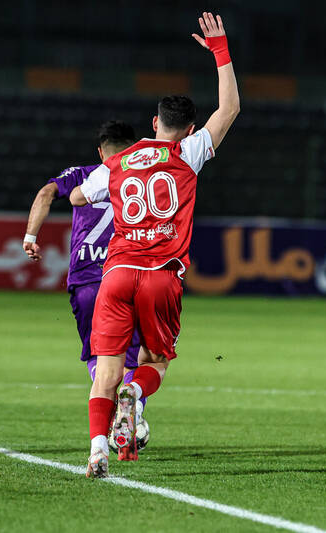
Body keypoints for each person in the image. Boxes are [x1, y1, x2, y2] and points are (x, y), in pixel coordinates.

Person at [69, 12, 240, 477]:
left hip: (118, 272)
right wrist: (221, 51)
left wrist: (91, 190)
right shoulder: (187, 154)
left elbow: (78, 195)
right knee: (156, 362)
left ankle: (97, 451)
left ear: (153, 122)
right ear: (187, 130)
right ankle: (136, 394)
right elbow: (229, 111)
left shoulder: (121, 160)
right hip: (162, 276)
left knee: (106, 367)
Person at [22, 121, 151, 456]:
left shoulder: (83, 175)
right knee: (139, 355)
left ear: (100, 151)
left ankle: (107, 429)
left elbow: (45, 193)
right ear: (133, 147)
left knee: (99, 355)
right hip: (129, 275)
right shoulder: (144, 177)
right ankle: (133, 409)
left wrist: (31, 237)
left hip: (86, 281)